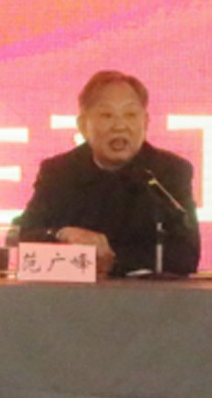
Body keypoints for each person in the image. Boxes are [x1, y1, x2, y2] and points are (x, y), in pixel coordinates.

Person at [16, 70, 200, 276]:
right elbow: (22, 237)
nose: (119, 126)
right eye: (106, 115)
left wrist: (108, 259)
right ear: (83, 125)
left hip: (145, 294)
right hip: (71, 294)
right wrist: (61, 234)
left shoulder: (168, 171)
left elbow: (186, 256)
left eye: (130, 115)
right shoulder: (60, 172)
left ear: (145, 122)